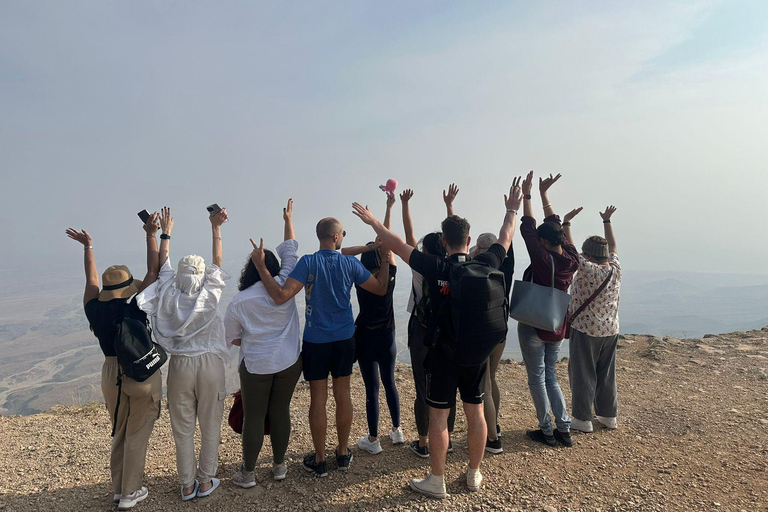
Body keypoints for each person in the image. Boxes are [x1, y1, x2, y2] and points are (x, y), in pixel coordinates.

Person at [351, 177, 523, 498]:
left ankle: (437, 479)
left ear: (443, 241)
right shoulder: (485, 261)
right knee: (475, 412)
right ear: (468, 240)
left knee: (439, 417)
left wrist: (374, 220)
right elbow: (505, 236)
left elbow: (398, 245)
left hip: (442, 353)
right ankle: (473, 474)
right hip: (475, 352)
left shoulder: (434, 265)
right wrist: (512, 208)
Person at [249, 216, 391, 477]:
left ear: (320, 236)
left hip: (316, 340)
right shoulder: (349, 263)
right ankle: (343, 453)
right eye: (343, 234)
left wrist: (261, 268)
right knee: (343, 394)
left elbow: (280, 296)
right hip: (345, 338)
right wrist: (384, 258)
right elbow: (381, 289)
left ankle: (320, 459)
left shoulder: (308, 262)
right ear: (336, 237)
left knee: (318, 398)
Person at [66, 213, 162, 511]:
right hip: (141, 371)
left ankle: (120, 490)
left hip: (111, 372)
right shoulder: (137, 305)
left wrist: (88, 247)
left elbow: (91, 279)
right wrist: (150, 234)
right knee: (137, 432)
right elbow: (153, 271)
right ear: (127, 287)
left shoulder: (93, 308)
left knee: (119, 430)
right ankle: (131, 493)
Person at [136, 207, 230, 500]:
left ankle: (187, 484)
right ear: (203, 276)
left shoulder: (167, 293)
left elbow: (161, 264)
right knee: (211, 423)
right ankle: (205, 481)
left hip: (180, 367)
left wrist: (165, 233)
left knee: (183, 428)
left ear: (178, 275)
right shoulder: (210, 292)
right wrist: (216, 228)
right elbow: (217, 261)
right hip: (210, 364)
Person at [224, 199, 303, 485]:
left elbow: (231, 337)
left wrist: (249, 337)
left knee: (254, 417)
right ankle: (280, 467)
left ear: (251, 270)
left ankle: (248, 473)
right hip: (289, 361)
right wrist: (287, 220)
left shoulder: (239, 302)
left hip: (256, 364)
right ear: (275, 267)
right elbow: (291, 249)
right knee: (280, 410)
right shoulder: (286, 281)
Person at [517, 171, 580, 448]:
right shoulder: (572, 258)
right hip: (557, 323)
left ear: (543, 242)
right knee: (552, 375)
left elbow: (528, 227)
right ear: (562, 239)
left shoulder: (541, 257)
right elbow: (551, 227)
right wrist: (544, 195)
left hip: (534, 321)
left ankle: (546, 430)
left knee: (537, 378)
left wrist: (528, 195)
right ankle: (564, 427)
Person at [341, 195, 403, 454]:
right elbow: (388, 244)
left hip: (366, 338)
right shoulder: (390, 276)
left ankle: (374, 439)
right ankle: (397, 431)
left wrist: (369, 248)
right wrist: (389, 209)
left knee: (372, 388)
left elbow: (343, 252)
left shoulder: (361, 278)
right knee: (390, 383)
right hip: (387, 338)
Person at [400, 188, 457, 459]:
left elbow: (409, 237)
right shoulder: (453, 267)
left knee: (423, 386)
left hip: (421, 331)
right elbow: (456, 238)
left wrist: (404, 205)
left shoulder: (422, 267)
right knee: (448, 385)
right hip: (448, 331)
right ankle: (447, 438)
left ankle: (423, 442)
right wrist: (449, 207)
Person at [562, 205, 622, 432]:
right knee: (606, 373)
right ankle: (608, 416)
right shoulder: (615, 268)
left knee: (582, 372)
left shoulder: (586, 268)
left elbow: (569, 248)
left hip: (586, 329)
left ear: (587, 255)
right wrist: (607, 222)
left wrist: (566, 223)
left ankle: (583, 418)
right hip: (611, 330)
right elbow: (614, 246)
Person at [468, 232, 514, 455]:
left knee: (484, 384)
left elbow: (462, 256)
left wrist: (476, 251)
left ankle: (493, 440)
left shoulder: (476, 266)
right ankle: (494, 425)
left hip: (482, 332)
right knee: (492, 377)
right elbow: (508, 239)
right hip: (501, 331)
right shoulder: (507, 266)